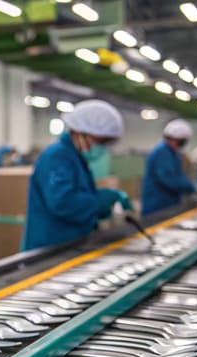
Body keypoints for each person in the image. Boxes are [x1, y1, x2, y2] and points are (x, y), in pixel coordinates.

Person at [21, 99, 132, 251]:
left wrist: (106, 208)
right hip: (49, 248)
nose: (102, 148)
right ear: (79, 133)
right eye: (100, 141)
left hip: (70, 244)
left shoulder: (76, 158)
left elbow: (80, 197)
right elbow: (64, 203)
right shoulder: (57, 157)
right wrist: (101, 200)